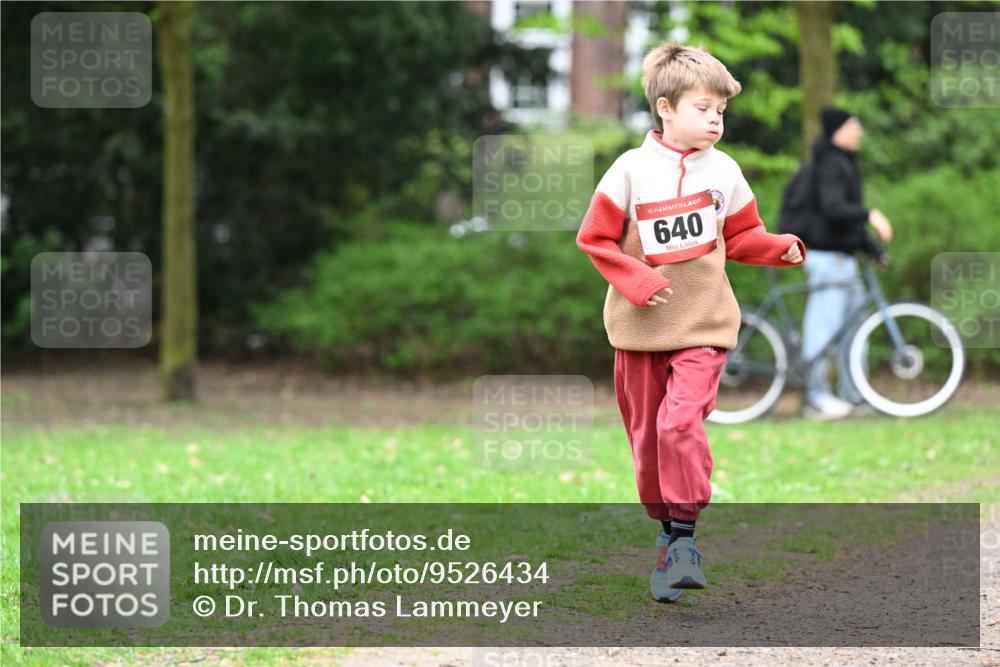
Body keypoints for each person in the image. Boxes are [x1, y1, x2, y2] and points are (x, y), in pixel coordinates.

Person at [575, 43, 806, 603]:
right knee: (647, 444)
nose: (715, 120)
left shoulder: (725, 171)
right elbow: (595, 239)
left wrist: (777, 247)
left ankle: (685, 539)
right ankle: (667, 536)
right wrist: (638, 280)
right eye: (703, 108)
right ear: (665, 108)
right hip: (638, 329)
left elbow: (742, 236)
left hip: (705, 324)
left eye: (721, 111)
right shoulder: (629, 170)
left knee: (679, 424)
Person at [799, 107, 893, 420]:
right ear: (837, 131)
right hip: (829, 260)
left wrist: (873, 251)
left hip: (843, 260)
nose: (859, 132)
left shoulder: (843, 162)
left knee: (856, 331)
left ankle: (855, 395)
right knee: (823, 330)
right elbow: (834, 208)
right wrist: (870, 214)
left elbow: (848, 222)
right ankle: (816, 398)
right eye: (853, 126)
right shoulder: (830, 164)